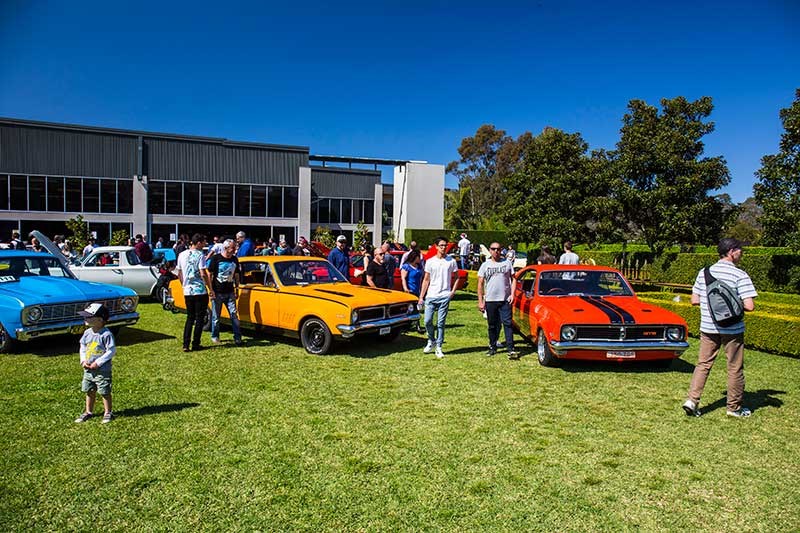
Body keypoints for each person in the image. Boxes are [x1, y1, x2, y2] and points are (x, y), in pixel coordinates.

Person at [682, 238, 758, 418]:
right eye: (740, 250)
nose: (742, 253)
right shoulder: (740, 275)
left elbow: (694, 300)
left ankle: (692, 400)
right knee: (734, 367)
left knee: (703, 364)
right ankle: (734, 408)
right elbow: (750, 306)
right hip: (732, 330)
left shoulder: (704, 272)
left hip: (708, 327)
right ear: (732, 251)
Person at [418, 236, 461, 358]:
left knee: (441, 323)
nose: (443, 247)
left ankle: (439, 346)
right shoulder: (430, 261)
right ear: (436, 246)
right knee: (427, 321)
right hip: (431, 296)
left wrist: (452, 292)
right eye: (441, 245)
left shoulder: (451, 261)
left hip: (444, 296)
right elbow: (426, 279)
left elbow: (457, 277)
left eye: (445, 245)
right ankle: (431, 340)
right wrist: (421, 296)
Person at [74, 303, 116, 424]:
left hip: (102, 370)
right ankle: (88, 411)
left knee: (104, 391)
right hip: (88, 369)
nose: (85, 319)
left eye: (88, 316)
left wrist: (98, 363)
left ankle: (108, 412)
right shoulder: (87, 333)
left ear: (100, 319)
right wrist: (83, 360)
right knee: (89, 390)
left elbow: (111, 350)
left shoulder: (106, 334)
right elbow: (83, 346)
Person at [478, 242, 518, 359]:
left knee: (507, 323)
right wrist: (480, 301)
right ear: (490, 250)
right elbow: (480, 284)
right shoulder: (485, 265)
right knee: (492, 325)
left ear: (501, 250)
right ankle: (492, 347)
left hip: (505, 300)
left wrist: (512, 294)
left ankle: (511, 349)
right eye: (493, 249)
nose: (496, 251)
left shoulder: (507, 263)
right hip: (490, 300)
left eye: (498, 249)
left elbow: (514, 279)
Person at [176, 234, 210, 352]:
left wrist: (184, 285)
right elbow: (203, 273)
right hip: (199, 290)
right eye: (204, 242)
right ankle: (196, 343)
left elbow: (179, 273)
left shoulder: (181, 255)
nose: (205, 244)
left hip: (188, 290)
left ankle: (186, 344)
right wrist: (209, 287)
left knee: (190, 317)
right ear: (199, 242)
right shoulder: (201, 255)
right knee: (199, 318)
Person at [207, 239, 243, 345]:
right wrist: (211, 290)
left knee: (234, 315)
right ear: (226, 248)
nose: (234, 250)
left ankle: (237, 337)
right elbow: (210, 274)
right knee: (216, 317)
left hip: (230, 292)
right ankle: (215, 336)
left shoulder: (234, 259)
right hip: (217, 292)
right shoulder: (216, 259)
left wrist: (237, 287)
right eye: (233, 248)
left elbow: (236, 274)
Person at [401, 250, 425, 332]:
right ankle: (406, 325)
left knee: (418, 308)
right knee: (410, 308)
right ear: (415, 257)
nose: (420, 259)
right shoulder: (406, 266)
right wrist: (405, 288)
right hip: (410, 290)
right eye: (419, 257)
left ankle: (418, 325)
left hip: (417, 290)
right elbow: (403, 278)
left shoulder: (419, 267)